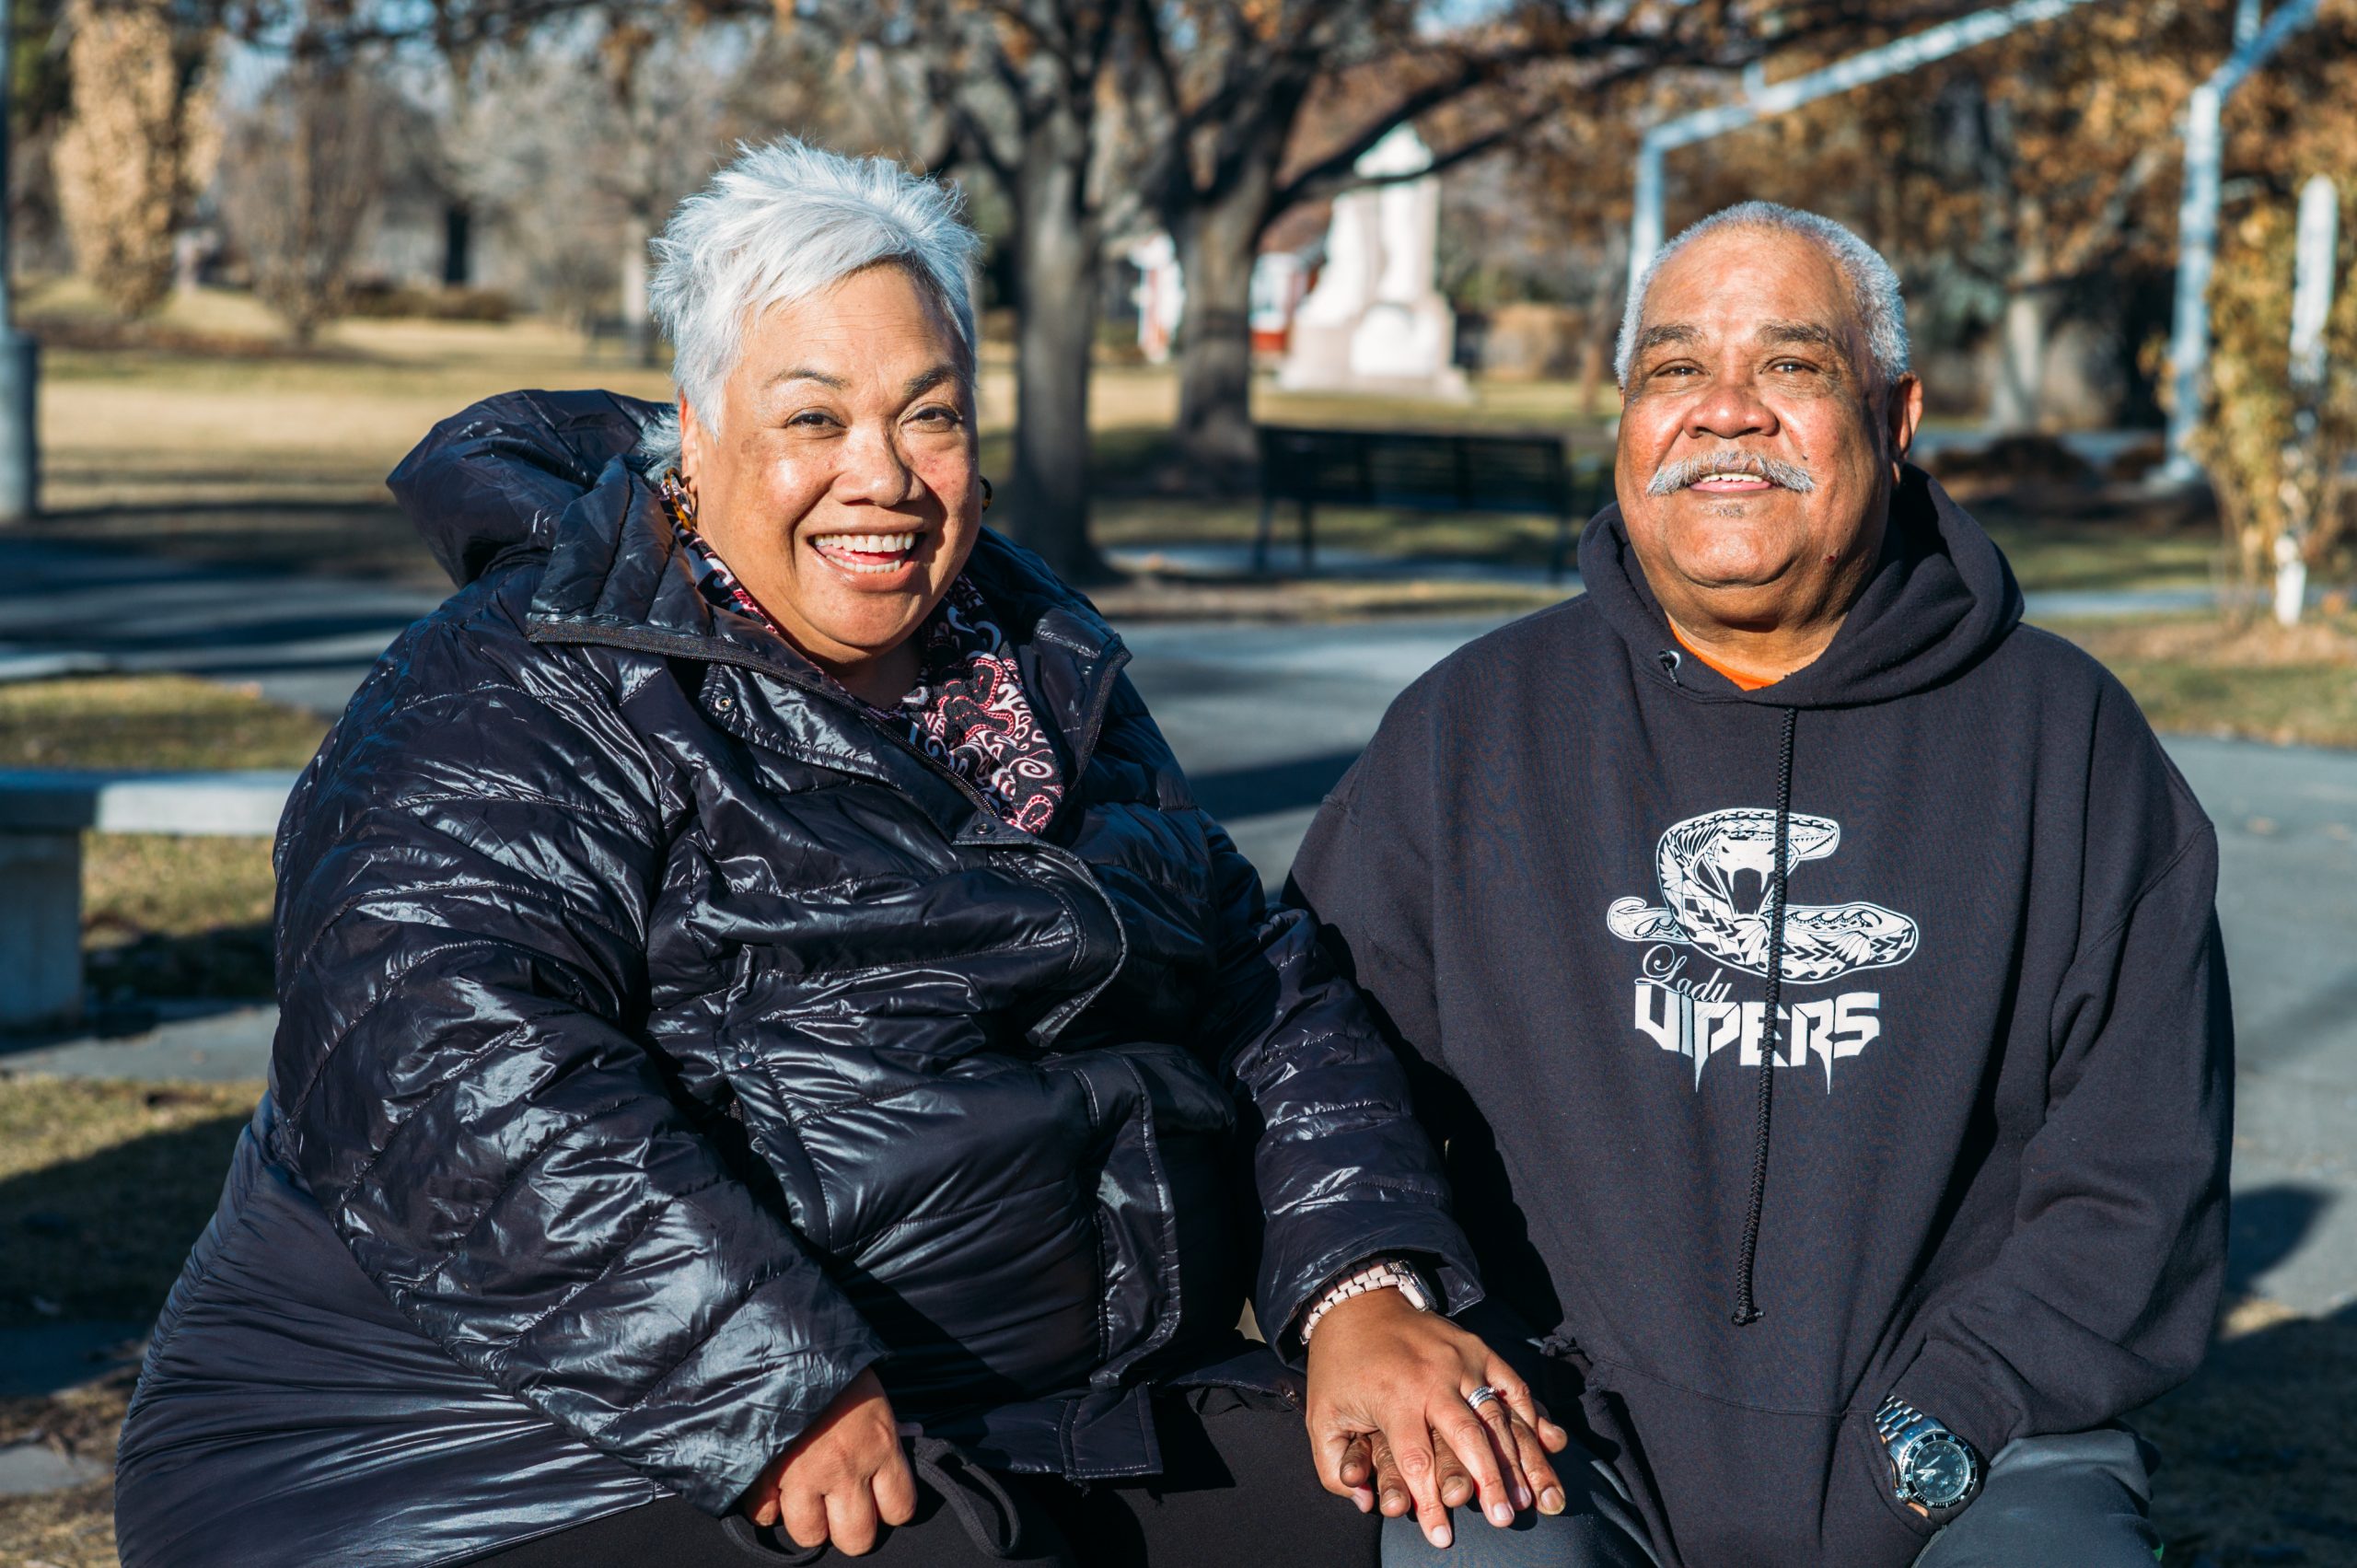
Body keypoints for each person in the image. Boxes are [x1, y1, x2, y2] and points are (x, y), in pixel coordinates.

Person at [112, 137, 1575, 1568]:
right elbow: (441, 1057)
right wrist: (764, 1387)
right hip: (490, 1455)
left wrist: (1357, 1289)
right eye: (814, 419)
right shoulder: (510, 684)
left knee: (1496, 1511)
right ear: (696, 431)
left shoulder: (1037, 669)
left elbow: (1258, 982)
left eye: (928, 416)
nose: (880, 476)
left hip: (1009, 1413)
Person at [1288, 202, 2232, 1568]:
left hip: (1975, 1436)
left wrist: (1939, 1432)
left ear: (1896, 417)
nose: (1724, 412)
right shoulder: (1466, 732)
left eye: (1790, 366)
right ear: (1625, 417)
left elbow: (2138, 1183)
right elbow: (1322, 1085)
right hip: (1557, 1428)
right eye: (1674, 370)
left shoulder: (2072, 747)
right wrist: (1368, 1304)